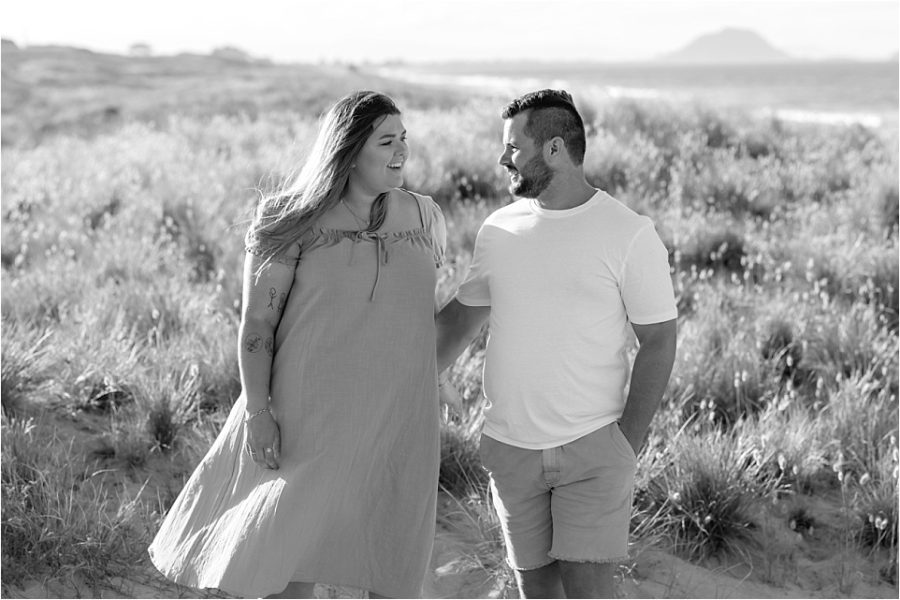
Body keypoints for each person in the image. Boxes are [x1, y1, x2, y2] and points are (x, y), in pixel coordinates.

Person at [149, 91, 447, 599]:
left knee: (391, 557)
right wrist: (258, 412)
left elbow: (419, 321)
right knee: (292, 560)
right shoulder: (287, 218)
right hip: (309, 416)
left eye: (404, 139)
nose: (402, 151)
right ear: (350, 150)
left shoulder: (425, 217)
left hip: (398, 418)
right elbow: (258, 323)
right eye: (387, 141)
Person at [436, 89, 677, 599]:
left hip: (593, 449)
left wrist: (625, 444)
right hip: (511, 451)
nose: (503, 158)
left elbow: (658, 339)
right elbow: (457, 323)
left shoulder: (629, 234)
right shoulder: (499, 229)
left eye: (513, 147)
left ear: (553, 150)